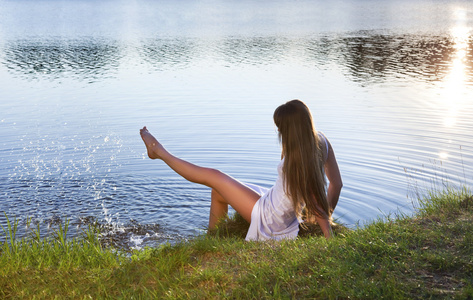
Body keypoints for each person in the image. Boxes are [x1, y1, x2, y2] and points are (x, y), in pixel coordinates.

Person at [140, 99, 342, 240]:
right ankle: (213, 240)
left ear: (292, 129)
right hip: (275, 200)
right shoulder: (321, 140)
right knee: (218, 190)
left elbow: (315, 197)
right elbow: (336, 184)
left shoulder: (298, 160)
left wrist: (327, 233)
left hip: (272, 218)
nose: (278, 131)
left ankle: (159, 152)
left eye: (281, 127)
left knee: (213, 176)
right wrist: (322, 216)